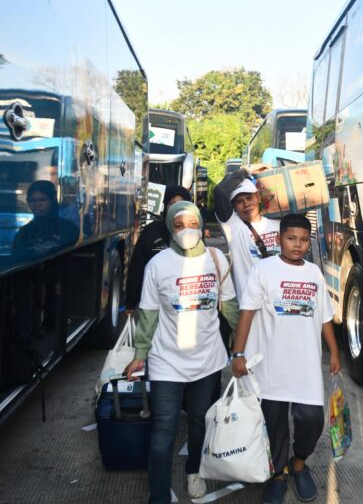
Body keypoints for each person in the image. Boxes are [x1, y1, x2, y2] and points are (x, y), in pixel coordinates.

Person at [124, 201, 238, 503]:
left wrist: (245, 345)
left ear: (200, 225)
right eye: (178, 225)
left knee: (200, 420)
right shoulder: (158, 264)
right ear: (170, 229)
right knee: (164, 428)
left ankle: (194, 470)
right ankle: (159, 494)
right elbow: (148, 313)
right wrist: (140, 354)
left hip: (208, 359)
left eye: (192, 223)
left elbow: (229, 307)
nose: (186, 230)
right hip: (166, 360)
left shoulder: (216, 259)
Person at [231, 213, 340, 504]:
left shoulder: (314, 273)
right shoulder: (263, 270)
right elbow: (247, 312)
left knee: (312, 419)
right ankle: (277, 474)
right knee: (274, 423)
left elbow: (325, 317)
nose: (297, 245)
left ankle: (299, 462)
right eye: (291, 238)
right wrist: (239, 354)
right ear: (280, 239)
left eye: (303, 240)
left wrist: (334, 351)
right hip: (271, 365)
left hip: (306, 365)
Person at [213, 166, 280, 328]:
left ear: (258, 197)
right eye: (239, 201)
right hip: (250, 309)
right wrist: (245, 171)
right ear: (234, 207)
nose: (246, 204)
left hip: (278, 303)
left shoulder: (278, 223)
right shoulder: (233, 226)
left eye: (249, 198)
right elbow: (220, 192)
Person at [124, 184, 192, 316]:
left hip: (185, 304)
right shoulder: (151, 232)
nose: (176, 208)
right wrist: (131, 302)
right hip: (153, 303)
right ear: (165, 206)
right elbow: (137, 267)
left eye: (181, 203)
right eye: (172, 203)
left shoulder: (194, 232)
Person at [12, 180, 80, 260]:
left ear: (53, 200)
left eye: (42, 200)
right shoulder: (24, 233)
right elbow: (17, 260)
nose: (37, 204)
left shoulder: (68, 228)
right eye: (32, 200)